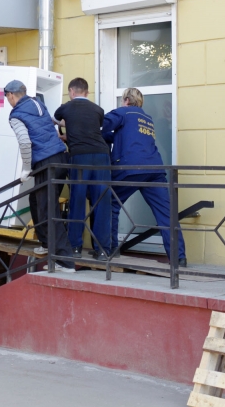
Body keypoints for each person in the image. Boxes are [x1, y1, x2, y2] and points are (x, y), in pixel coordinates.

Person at [101, 88, 187, 267]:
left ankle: (110, 250)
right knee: (166, 214)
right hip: (154, 169)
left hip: (130, 169)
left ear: (125, 99)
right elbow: (128, 137)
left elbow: (100, 124)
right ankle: (179, 258)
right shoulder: (147, 119)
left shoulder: (123, 112)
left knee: (111, 204)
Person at [5, 80, 75, 272]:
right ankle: (46, 243)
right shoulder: (37, 103)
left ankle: (64, 261)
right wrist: (61, 123)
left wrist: (26, 168)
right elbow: (51, 121)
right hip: (61, 158)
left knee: (48, 210)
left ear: (11, 95)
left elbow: (25, 143)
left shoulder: (16, 115)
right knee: (36, 201)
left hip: (46, 163)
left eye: (7, 97)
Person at [53, 78, 113, 260]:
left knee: (78, 200)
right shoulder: (98, 110)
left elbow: (56, 121)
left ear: (72, 91)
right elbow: (91, 127)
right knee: (101, 201)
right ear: (87, 92)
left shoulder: (66, 107)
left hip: (79, 157)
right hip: (102, 156)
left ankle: (75, 247)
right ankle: (102, 250)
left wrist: (65, 129)